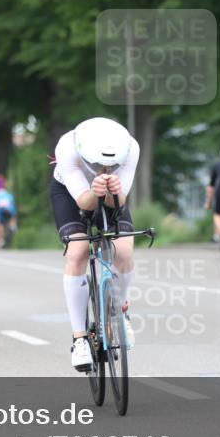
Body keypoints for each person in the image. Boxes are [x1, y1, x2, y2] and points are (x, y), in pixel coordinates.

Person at [51, 117, 139, 370]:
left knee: (124, 251)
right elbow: (84, 202)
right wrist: (95, 191)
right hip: (71, 194)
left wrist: (114, 192)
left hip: (111, 194)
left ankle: (120, 312)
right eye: (98, 164)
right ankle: (79, 338)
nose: (105, 168)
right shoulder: (67, 147)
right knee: (78, 252)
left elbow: (118, 203)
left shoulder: (131, 148)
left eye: (112, 165)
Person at [0, 180, 18, 248]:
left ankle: (1, 239)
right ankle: (13, 225)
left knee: (0, 224)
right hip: (10, 210)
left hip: (1, 211)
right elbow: (12, 203)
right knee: (13, 214)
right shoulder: (8, 194)